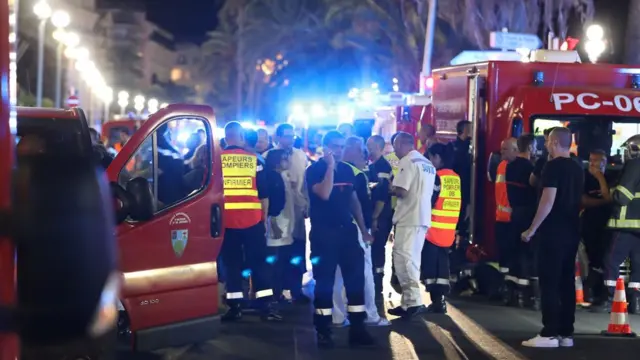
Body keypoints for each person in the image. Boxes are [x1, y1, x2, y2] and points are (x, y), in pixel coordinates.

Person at [305, 130, 374, 347]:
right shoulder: (314, 170)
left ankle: (358, 328)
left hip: (347, 232)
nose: (339, 150)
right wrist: (330, 167)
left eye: (341, 146)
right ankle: (323, 330)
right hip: (323, 233)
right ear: (325, 147)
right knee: (324, 282)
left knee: (356, 280)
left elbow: (353, 200)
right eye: (335, 146)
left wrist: (363, 229)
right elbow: (324, 193)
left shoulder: (348, 170)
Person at [521, 127, 583, 348]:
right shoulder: (577, 167)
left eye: (548, 141)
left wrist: (532, 229)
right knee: (566, 283)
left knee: (549, 282)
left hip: (552, 232)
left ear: (555, 142)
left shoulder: (552, 167)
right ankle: (566, 333)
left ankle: (549, 333)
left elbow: (547, 201)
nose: (546, 144)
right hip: (572, 231)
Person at [220, 121, 282, 322]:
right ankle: (266, 306)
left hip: (226, 223)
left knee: (232, 266)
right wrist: (264, 219)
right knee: (259, 265)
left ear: (225, 137)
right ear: (241, 137)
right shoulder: (253, 160)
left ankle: (235, 307)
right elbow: (264, 194)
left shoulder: (217, 161)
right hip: (253, 221)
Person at [332, 136, 390, 327]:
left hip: (333, 228)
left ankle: (337, 316)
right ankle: (370, 315)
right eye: (362, 151)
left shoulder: (331, 169)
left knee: (337, 273)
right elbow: (360, 204)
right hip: (355, 229)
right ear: (352, 151)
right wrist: (366, 228)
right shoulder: (356, 174)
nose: (365, 155)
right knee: (364, 272)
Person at [387, 132, 436, 318]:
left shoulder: (407, 161)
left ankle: (413, 301)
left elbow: (401, 190)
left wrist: (387, 188)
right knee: (413, 260)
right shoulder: (426, 163)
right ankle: (408, 303)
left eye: (394, 146)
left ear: (400, 144)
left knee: (403, 260)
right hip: (422, 217)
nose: (394, 151)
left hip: (408, 218)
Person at [266, 123, 309, 303]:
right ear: (277, 137)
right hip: (279, 215)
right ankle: (277, 292)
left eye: (292, 136)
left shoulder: (300, 156)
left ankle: (296, 290)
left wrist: (306, 204)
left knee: (297, 252)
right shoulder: (269, 156)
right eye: (286, 136)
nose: (290, 140)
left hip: (297, 212)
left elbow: (304, 184)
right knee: (280, 254)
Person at [422, 143, 461, 314]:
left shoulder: (436, 177)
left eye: (430, 157)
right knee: (443, 266)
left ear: (437, 157)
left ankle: (436, 301)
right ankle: (441, 300)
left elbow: (428, 202)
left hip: (432, 229)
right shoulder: (454, 177)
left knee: (431, 266)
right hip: (448, 230)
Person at [604, 135, 640, 314]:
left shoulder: (635, 165)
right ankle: (636, 302)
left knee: (612, 260)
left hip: (626, 224)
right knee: (638, 264)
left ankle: (610, 298)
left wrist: (611, 190)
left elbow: (622, 196)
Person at [265, 149, 301, 302]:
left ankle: (278, 292)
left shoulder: (283, 176)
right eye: (284, 159)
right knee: (276, 262)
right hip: (277, 226)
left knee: (281, 260)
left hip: (284, 224)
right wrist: (273, 225)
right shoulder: (273, 178)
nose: (288, 162)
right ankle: (274, 294)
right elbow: (273, 204)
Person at [507, 134, 538, 309]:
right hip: (528, 214)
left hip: (515, 213)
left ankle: (512, 293)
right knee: (527, 254)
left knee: (515, 253)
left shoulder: (510, 167)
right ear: (531, 147)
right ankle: (526, 296)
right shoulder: (530, 168)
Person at [581, 149, 612, 311]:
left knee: (605, 260)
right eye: (590, 160)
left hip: (607, 226)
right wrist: (604, 202)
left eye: (596, 161)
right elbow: (585, 200)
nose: (592, 164)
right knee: (593, 259)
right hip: (589, 225)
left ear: (604, 162)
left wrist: (600, 177)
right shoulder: (584, 178)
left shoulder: (611, 178)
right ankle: (592, 293)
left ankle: (601, 295)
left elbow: (609, 195)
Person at [366, 135, 394, 303]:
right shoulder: (372, 165)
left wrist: (375, 218)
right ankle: (374, 282)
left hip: (381, 215)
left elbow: (382, 195)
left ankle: (377, 284)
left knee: (377, 248)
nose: (367, 148)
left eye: (370, 145)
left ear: (379, 147)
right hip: (376, 214)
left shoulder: (382, 166)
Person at [494, 138, 519, 305]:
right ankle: (502, 286)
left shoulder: (518, 168)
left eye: (505, 149)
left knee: (513, 257)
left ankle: (511, 291)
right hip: (501, 219)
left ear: (515, 150)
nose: (501, 152)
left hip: (513, 221)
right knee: (503, 256)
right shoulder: (501, 165)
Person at [448, 120, 472, 241]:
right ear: (464, 130)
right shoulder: (452, 147)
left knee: (464, 217)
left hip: (467, 187)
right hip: (456, 187)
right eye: (470, 128)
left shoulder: (472, 146)